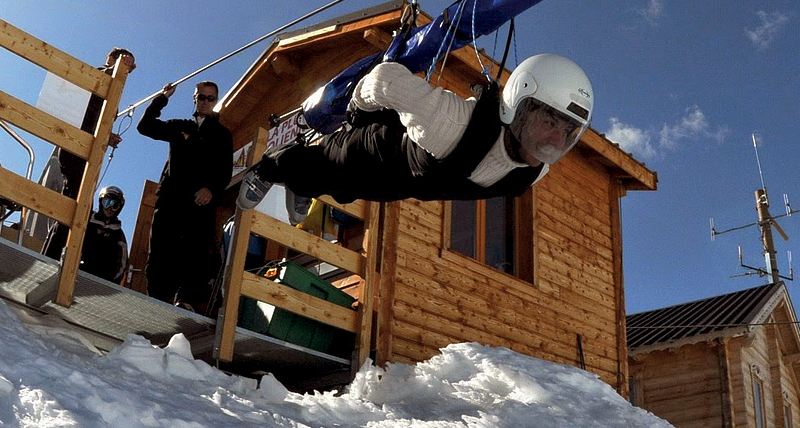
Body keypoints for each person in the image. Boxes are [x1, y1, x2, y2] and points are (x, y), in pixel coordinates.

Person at [237, 53, 592, 221]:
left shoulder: (535, 173)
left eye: (568, 130)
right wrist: (357, 112)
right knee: (320, 165)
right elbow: (385, 79)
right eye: (549, 120)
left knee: (345, 192)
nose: (556, 139)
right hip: (375, 151)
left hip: (401, 185)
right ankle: (267, 169)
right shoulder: (449, 121)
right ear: (519, 107)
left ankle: (305, 186)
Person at [137, 80, 233, 309]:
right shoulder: (180, 126)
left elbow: (225, 171)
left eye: (211, 98)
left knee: (194, 257)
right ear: (195, 99)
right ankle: (156, 303)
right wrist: (163, 98)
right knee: (160, 254)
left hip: (199, 208)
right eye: (201, 97)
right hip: (171, 202)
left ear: (216, 101)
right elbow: (145, 126)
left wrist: (211, 190)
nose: (206, 102)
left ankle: (185, 304)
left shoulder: (222, 135)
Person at [42, 48, 136, 261]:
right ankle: (49, 259)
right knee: (75, 208)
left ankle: (51, 258)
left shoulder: (112, 88)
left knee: (76, 207)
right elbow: (87, 107)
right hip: (76, 148)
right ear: (113, 59)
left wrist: (107, 137)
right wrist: (117, 67)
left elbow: (93, 120)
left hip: (84, 151)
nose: (127, 72)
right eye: (126, 65)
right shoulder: (102, 75)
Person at [78, 185, 130, 284]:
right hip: (79, 271)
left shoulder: (118, 233)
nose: (109, 208)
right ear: (101, 202)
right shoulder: (88, 221)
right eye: (107, 203)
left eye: (114, 205)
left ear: (119, 208)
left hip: (102, 280)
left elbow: (122, 263)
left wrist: (111, 280)